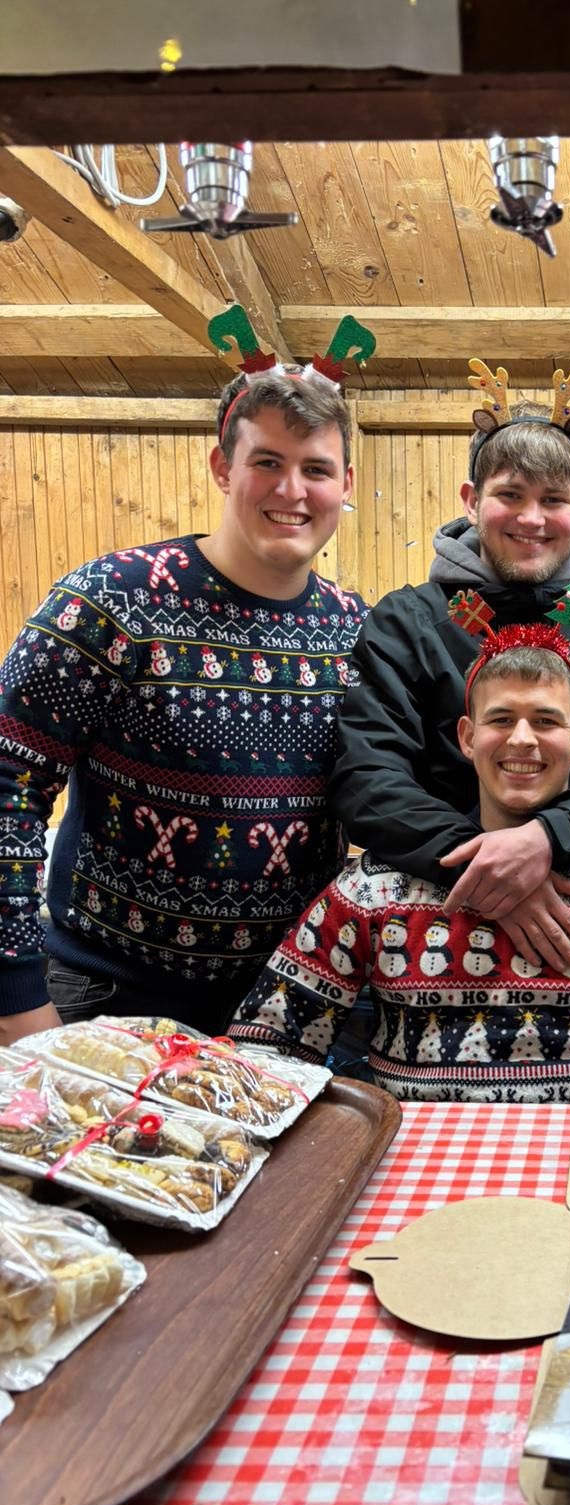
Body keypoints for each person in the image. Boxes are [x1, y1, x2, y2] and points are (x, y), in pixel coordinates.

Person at [231, 627, 570, 1106]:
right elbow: (262, 1050)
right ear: (467, 737)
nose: (522, 740)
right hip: (417, 1174)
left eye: (545, 721)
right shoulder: (374, 888)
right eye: (501, 719)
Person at [0, 351, 367, 1044]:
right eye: (266, 462)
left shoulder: (359, 632)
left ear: (345, 483)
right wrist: (13, 993)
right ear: (222, 467)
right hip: (103, 1002)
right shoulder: (109, 602)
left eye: (316, 469)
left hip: (291, 1012)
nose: (292, 489)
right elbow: (7, 788)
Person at [328, 361, 570, 979]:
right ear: (472, 501)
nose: (532, 519)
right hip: (434, 915)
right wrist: (491, 868)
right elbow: (367, 777)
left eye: (553, 499)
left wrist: (544, 840)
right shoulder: (405, 623)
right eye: (510, 495)